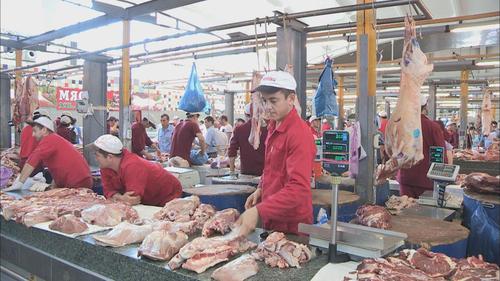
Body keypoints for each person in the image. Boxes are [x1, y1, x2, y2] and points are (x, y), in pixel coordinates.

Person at [235, 71, 316, 236]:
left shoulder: (299, 134)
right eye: (265, 101)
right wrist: (261, 189)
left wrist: (259, 211)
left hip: (292, 227)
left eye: (274, 100)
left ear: (291, 99)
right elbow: (272, 167)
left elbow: (299, 188)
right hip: (273, 220)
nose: (268, 107)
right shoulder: (273, 127)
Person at [92, 135, 182, 206]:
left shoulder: (132, 166)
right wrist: (121, 197)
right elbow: (108, 191)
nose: (95, 158)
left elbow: (133, 199)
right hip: (148, 199)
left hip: (168, 194)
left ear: (110, 157)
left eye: (97, 155)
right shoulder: (105, 167)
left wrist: (118, 197)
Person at [7, 116, 92, 191]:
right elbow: (57, 168)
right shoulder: (53, 140)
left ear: (44, 130)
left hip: (78, 183)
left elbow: (32, 160)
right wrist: (53, 187)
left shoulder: (49, 139)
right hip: (77, 181)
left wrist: (20, 183)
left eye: (35, 131)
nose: (33, 135)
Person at [397, 96, 446, 198]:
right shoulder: (433, 127)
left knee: (405, 210)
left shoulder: (402, 125)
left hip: (405, 178)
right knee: (424, 212)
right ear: (425, 107)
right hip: (426, 180)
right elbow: (441, 156)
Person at [228, 104, 267, 176]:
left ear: (246, 114)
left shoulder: (239, 129)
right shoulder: (269, 129)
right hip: (265, 172)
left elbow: (232, 151)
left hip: (246, 171)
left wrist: (232, 171)